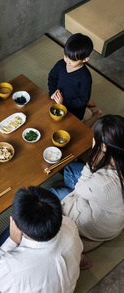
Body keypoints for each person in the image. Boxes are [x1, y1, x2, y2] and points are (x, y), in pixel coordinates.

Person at [0, 186, 83, 293]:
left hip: (9, 271)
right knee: (4, 244)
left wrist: (12, 241)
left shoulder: (11, 267)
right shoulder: (69, 224)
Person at [48, 115, 124, 268]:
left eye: (94, 137)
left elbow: (79, 189)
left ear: (103, 146)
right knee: (70, 168)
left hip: (97, 226)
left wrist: (92, 162)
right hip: (115, 215)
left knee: (47, 194)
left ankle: (75, 248)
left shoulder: (104, 182)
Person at [48, 33, 102, 127]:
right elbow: (52, 78)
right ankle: (89, 103)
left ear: (85, 59)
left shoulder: (85, 77)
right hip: (57, 99)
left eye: (73, 60)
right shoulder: (61, 64)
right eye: (66, 56)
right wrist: (53, 92)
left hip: (74, 108)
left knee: (76, 128)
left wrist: (63, 101)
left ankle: (96, 115)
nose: (67, 61)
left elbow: (83, 99)